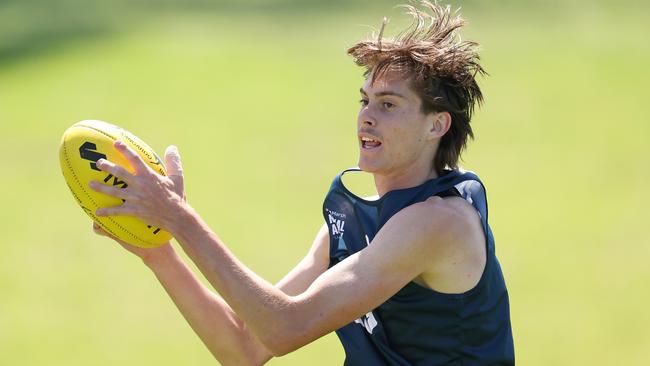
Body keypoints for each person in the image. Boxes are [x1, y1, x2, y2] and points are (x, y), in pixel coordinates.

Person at [88, 1, 514, 364]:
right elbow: (244, 348)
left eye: (388, 104)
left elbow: (285, 328)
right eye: (365, 100)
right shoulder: (354, 226)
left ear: (436, 125)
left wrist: (180, 218)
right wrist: (159, 253)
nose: (366, 115)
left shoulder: (438, 222)